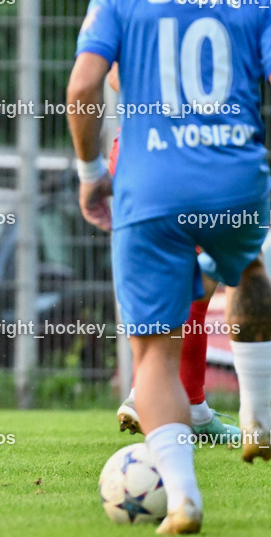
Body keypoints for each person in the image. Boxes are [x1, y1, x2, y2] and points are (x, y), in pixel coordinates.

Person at [67, 0, 271, 533]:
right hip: (236, 178)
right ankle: (259, 413)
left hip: (149, 181)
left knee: (150, 350)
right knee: (248, 271)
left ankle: (182, 497)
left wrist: (91, 169)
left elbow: (82, 88)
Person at [105, 72, 240, 446]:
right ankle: (148, 392)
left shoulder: (128, 11)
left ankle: (192, 406)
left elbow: (108, 74)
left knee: (193, 280)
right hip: (189, 155)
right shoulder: (240, 11)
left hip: (133, 153)